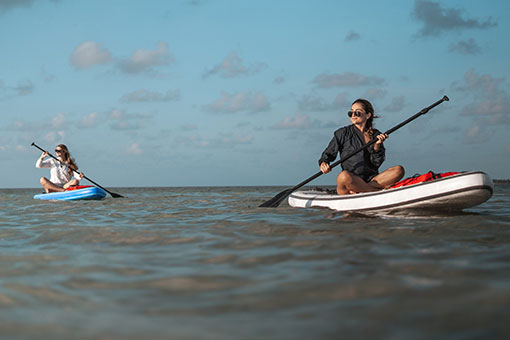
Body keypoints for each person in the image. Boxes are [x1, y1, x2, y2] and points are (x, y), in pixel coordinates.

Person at [319, 98, 404, 195]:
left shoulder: (376, 135)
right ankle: (377, 192)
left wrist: (377, 145)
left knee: (399, 170)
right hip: (351, 180)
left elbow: (376, 163)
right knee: (343, 176)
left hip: (372, 180)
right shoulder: (342, 133)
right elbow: (328, 154)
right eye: (351, 113)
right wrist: (324, 163)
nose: (353, 115)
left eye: (358, 113)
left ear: (368, 115)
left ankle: (363, 189)